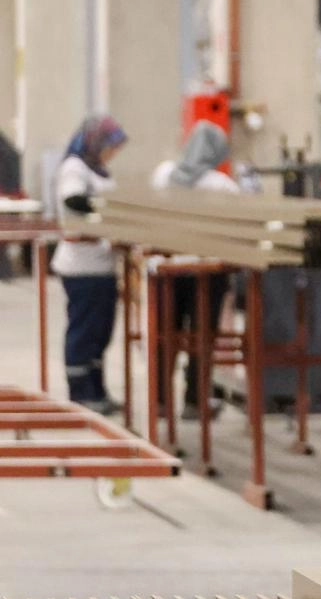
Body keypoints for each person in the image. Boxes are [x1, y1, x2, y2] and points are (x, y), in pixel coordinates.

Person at [150, 120, 239, 418]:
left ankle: (159, 402)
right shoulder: (222, 185)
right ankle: (195, 400)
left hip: (167, 270)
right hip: (208, 273)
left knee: (164, 335)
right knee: (202, 337)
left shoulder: (164, 175)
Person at [52, 115, 128, 414]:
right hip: (82, 266)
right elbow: (73, 200)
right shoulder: (75, 167)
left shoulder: (98, 170)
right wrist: (109, 212)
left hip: (102, 265)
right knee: (84, 331)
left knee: (100, 333)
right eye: (110, 147)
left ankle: (97, 390)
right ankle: (81, 394)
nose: (112, 153)